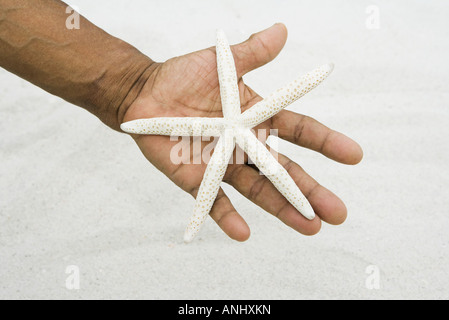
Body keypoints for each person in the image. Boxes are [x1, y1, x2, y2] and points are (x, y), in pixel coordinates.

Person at [0, 0, 363, 241]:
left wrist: (131, 89)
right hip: (231, 131)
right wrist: (127, 91)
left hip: (231, 131)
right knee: (269, 175)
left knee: (271, 180)